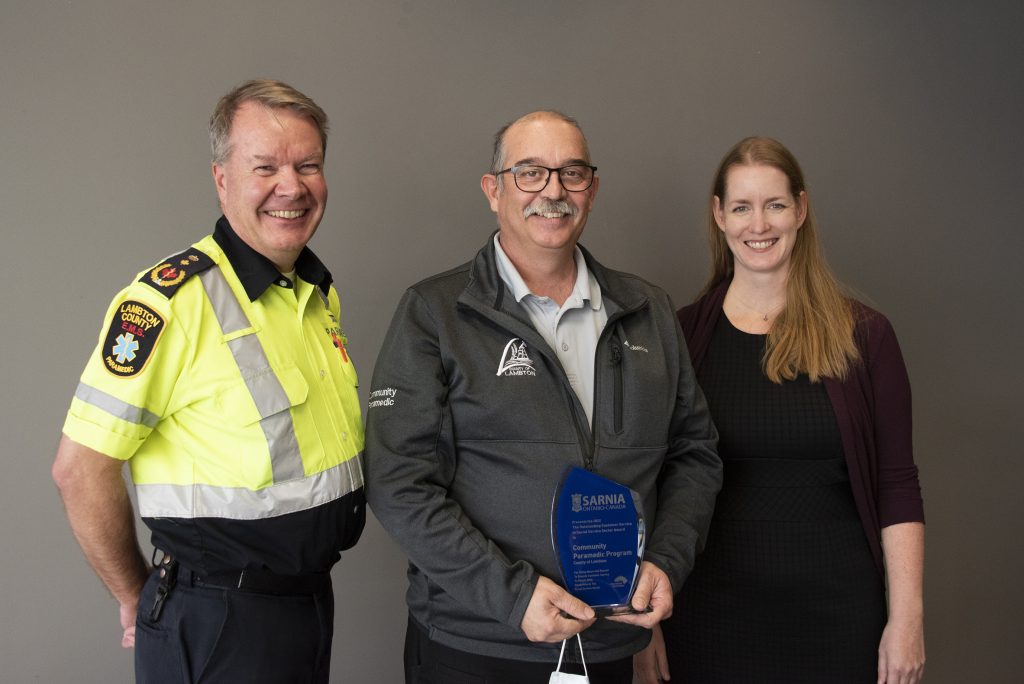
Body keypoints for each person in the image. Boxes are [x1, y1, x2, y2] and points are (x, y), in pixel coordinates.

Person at [364, 110, 722, 684]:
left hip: (607, 644)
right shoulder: (434, 312)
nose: (553, 191)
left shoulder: (647, 310)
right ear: (493, 189)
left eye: (571, 173)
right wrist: (512, 596)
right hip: (474, 646)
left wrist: (665, 561)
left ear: (592, 189)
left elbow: (694, 455)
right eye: (530, 173)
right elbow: (397, 480)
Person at [51, 79, 365, 683]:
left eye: (309, 165)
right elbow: (78, 469)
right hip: (217, 618)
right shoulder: (168, 304)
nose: (291, 187)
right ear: (222, 179)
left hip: (306, 604)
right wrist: (136, 594)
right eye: (265, 167)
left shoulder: (314, 292)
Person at [634, 136, 925, 684]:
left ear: (802, 209)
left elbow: (897, 483)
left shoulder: (865, 335)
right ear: (719, 216)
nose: (758, 224)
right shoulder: (680, 335)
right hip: (708, 611)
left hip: (839, 614)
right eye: (741, 207)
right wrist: (645, 625)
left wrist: (907, 618)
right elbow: (650, 482)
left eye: (775, 205)